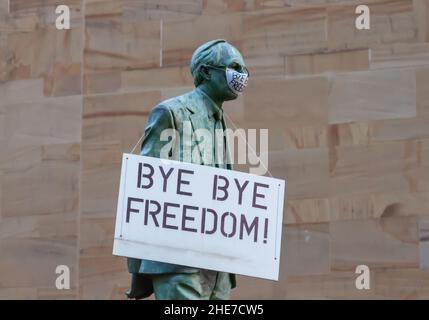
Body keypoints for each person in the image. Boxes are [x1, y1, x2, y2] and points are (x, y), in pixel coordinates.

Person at [125, 39, 249, 300]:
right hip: (177, 258)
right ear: (206, 72)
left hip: (217, 264)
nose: (242, 76)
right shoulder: (171, 112)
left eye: (245, 70)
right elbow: (146, 185)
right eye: (235, 67)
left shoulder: (220, 122)